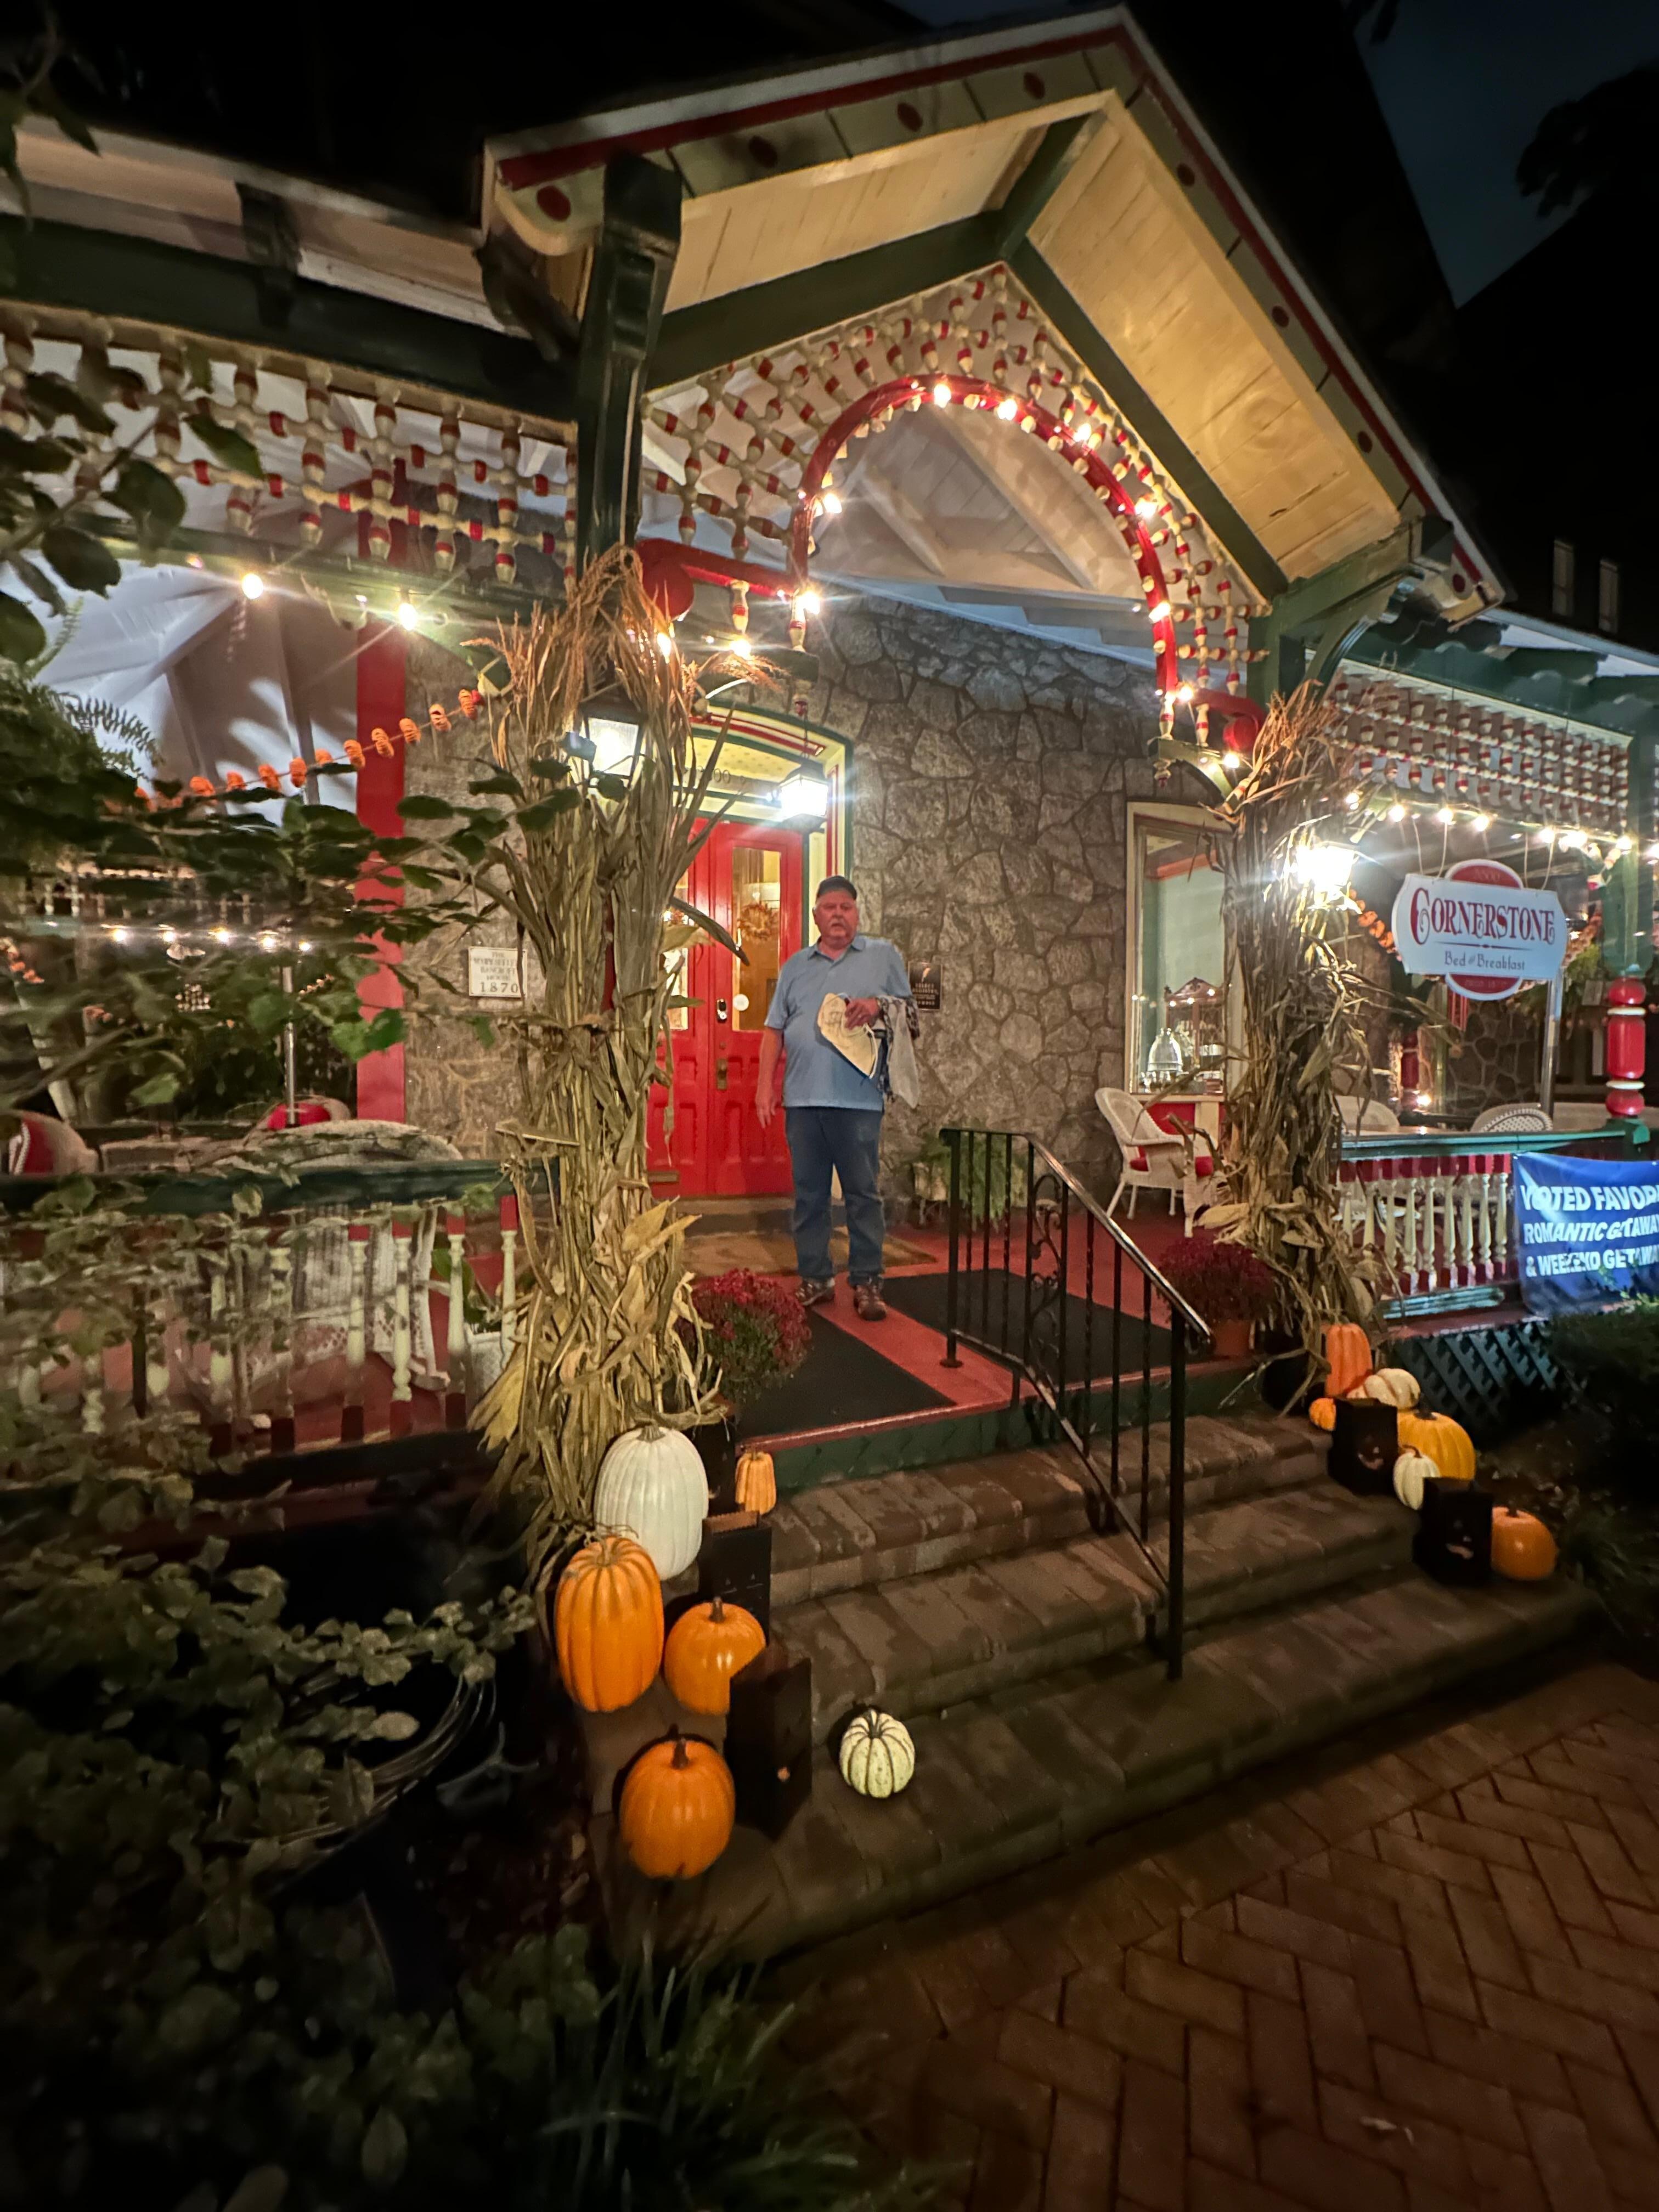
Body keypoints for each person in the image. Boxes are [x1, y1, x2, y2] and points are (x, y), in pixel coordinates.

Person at [755, 876, 913, 1320]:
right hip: (803, 1101)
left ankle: (867, 1282)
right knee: (809, 1195)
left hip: (859, 1101)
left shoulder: (883, 957)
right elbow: (773, 1031)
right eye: (830, 907)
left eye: (846, 907)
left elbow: (915, 1011)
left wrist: (878, 1006)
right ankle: (817, 1278)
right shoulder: (794, 967)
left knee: (863, 1194)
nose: (838, 914)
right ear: (816, 916)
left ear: (857, 913)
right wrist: (765, 1086)